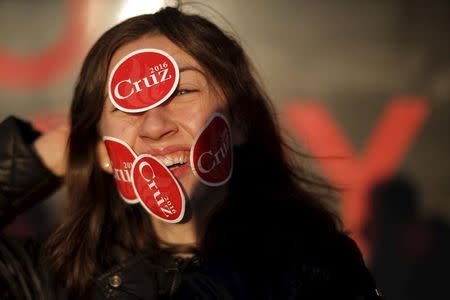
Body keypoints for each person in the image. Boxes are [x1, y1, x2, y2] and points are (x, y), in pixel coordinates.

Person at [0, 6, 382, 300]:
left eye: (182, 92)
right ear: (102, 152)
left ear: (241, 122)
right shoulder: (57, 280)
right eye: (126, 106)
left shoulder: (315, 269)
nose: (154, 126)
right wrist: (38, 157)